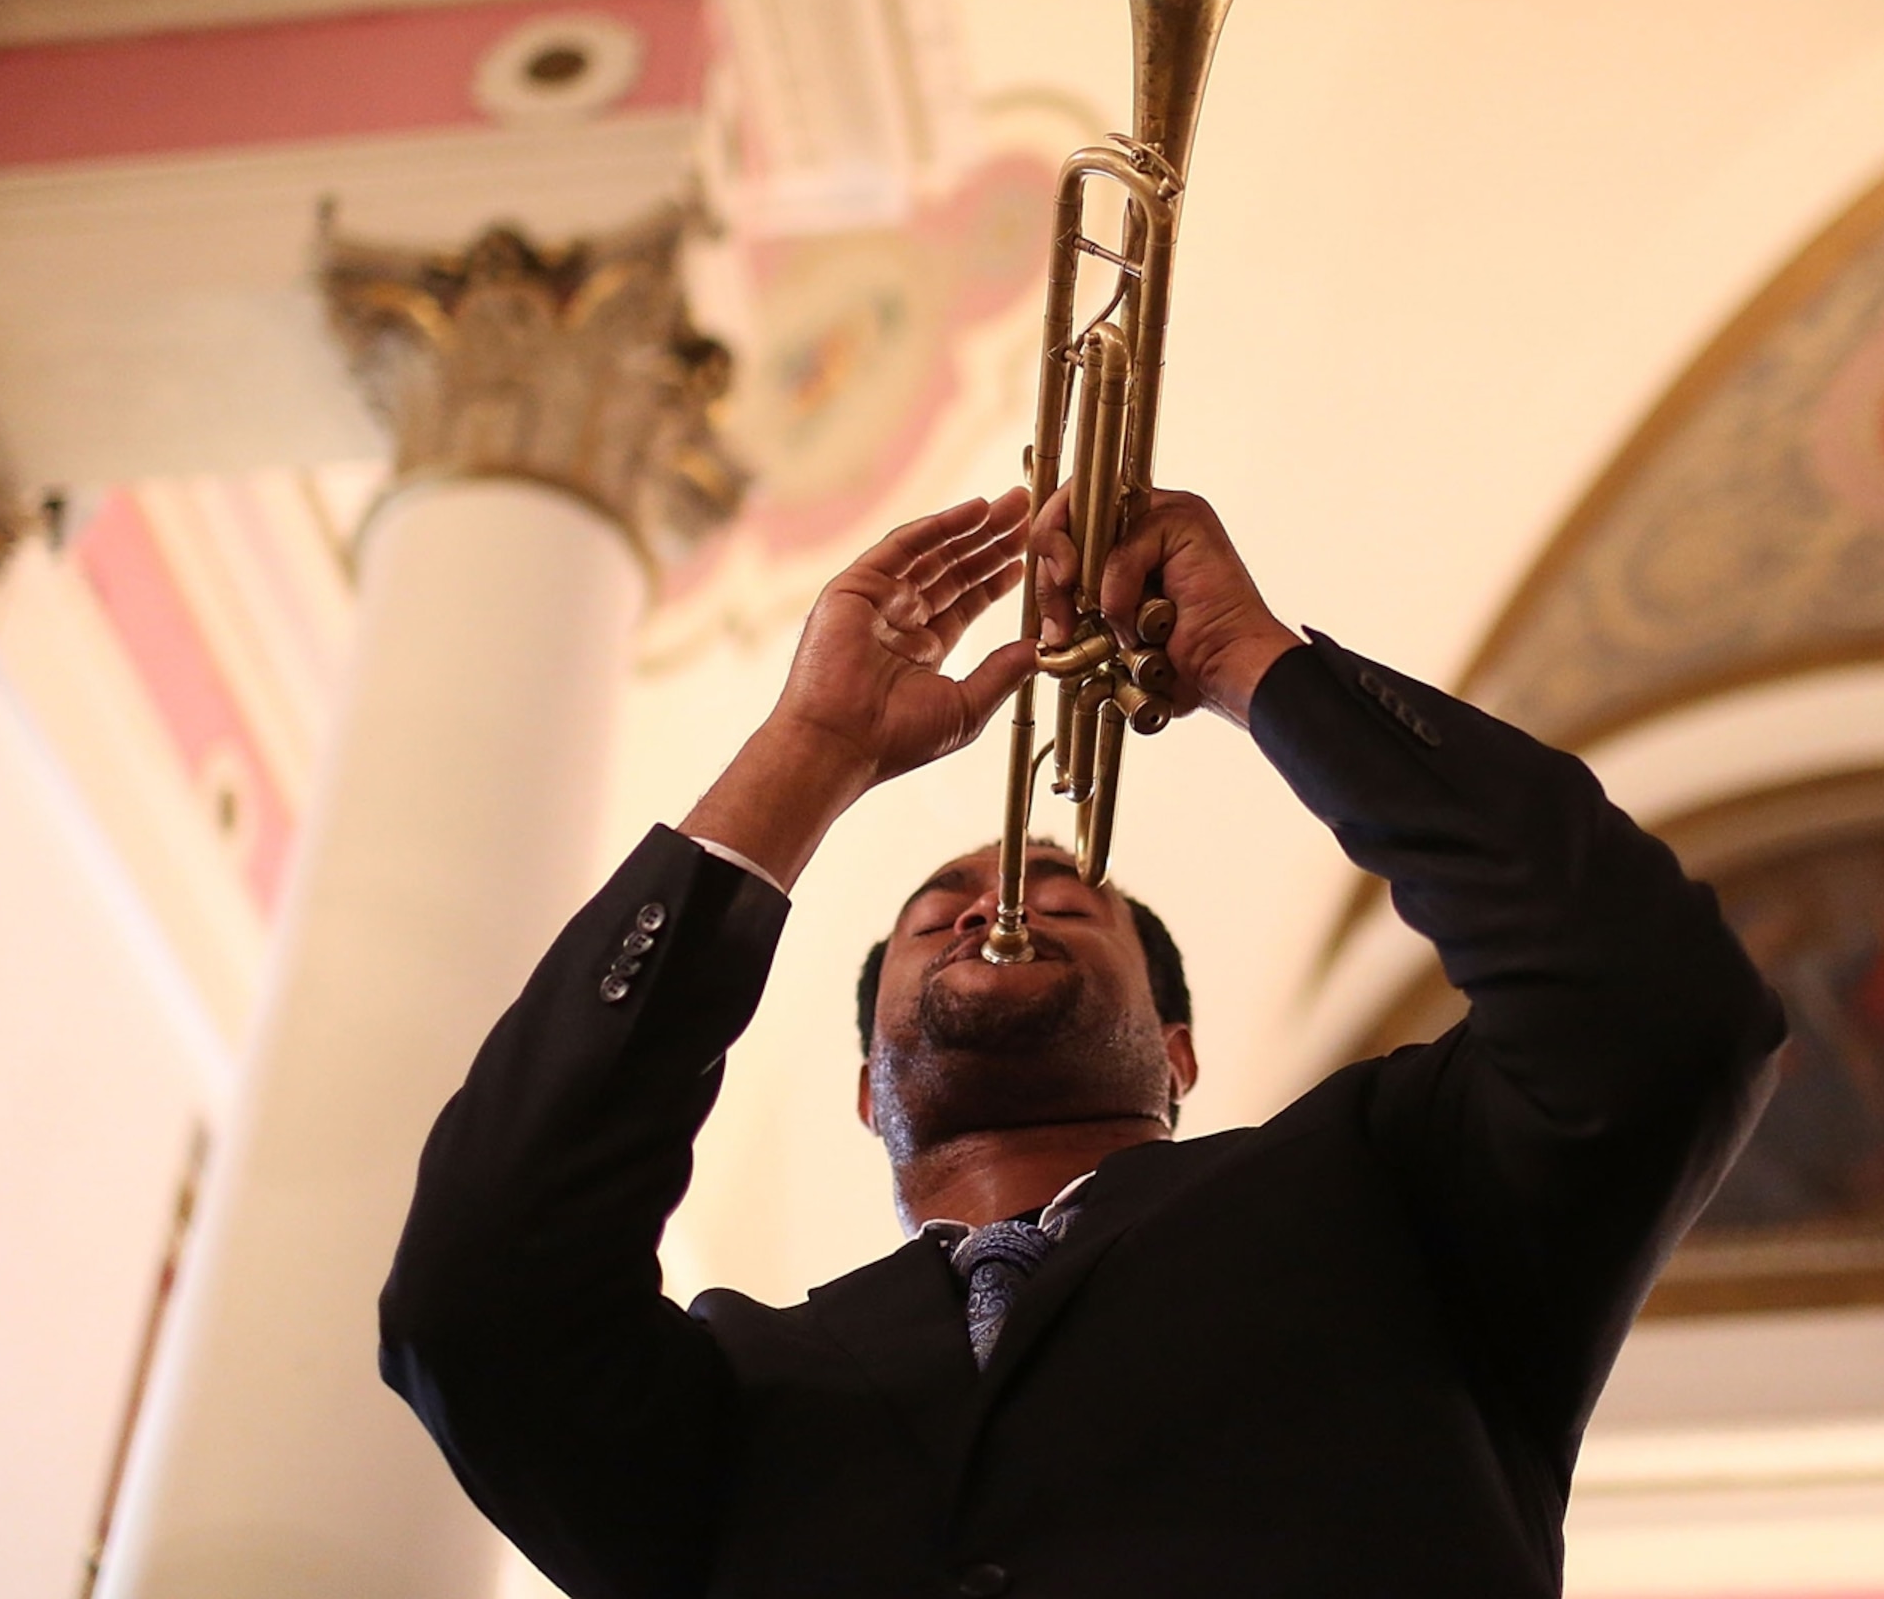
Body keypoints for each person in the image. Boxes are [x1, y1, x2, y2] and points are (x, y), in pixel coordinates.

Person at [379, 483, 1785, 1598]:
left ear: (1177, 1056)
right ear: (867, 1094)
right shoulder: (736, 1388)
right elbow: (476, 1292)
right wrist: (809, 750)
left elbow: (1653, 1003)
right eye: (933, 913)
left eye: (1070, 901)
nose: (994, 898)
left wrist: (1251, 664)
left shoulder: (1397, 1192)